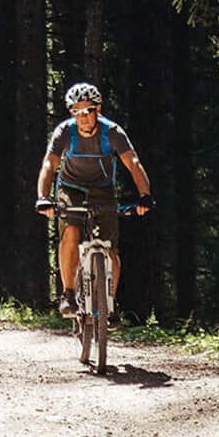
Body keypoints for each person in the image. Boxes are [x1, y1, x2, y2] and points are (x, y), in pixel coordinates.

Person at [35, 82, 151, 318]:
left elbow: (133, 163)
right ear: (71, 113)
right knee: (71, 231)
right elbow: (49, 164)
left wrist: (145, 196)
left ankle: (110, 302)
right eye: (77, 111)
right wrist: (43, 198)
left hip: (102, 189)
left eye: (88, 110)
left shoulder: (113, 133)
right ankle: (68, 294)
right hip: (71, 188)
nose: (83, 117)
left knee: (109, 248)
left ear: (98, 110)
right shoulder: (65, 132)